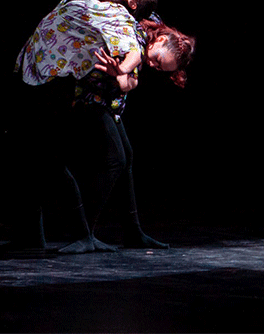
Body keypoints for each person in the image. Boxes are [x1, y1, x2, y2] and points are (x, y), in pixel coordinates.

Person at [6, 0, 184, 253]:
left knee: (94, 158)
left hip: (77, 92)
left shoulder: (120, 20)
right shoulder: (115, 4)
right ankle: (50, 236)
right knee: (46, 157)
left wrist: (125, 73)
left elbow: (130, 55)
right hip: (51, 77)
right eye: (158, 62)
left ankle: (84, 233)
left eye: (159, 66)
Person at [67, 18, 195, 252]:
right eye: (158, 61)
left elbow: (127, 83)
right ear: (162, 40)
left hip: (108, 102)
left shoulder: (152, 30)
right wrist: (125, 79)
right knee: (116, 159)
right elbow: (125, 80)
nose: (154, 66)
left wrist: (126, 81)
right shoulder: (132, 39)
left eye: (160, 68)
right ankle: (83, 233)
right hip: (90, 97)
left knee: (126, 156)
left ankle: (132, 231)